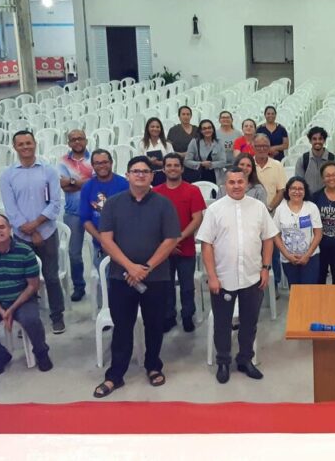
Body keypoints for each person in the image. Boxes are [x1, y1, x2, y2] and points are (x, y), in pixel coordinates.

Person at [92, 156, 180, 399]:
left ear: (152, 176)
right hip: (121, 277)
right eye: (135, 171)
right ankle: (115, 375)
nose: (140, 175)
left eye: (145, 171)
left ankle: (153, 366)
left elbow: (171, 239)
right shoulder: (112, 204)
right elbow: (106, 239)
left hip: (157, 276)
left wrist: (146, 267)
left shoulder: (164, 204)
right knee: (122, 327)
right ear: (128, 175)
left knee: (154, 325)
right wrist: (130, 267)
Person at [198, 167, 279, 384]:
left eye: (240, 182)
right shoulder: (215, 210)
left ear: (246, 183)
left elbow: (268, 239)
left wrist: (265, 267)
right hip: (223, 278)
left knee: (249, 322)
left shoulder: (258, 207)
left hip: (253, 275)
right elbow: (207, 245)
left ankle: (245, 359)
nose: (236, 186)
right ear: (225, 185)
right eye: (231, 182)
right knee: (222, 324)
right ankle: (223, 361)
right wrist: (212, 276)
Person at [0, 131, 66, 334]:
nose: (25, 147)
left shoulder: (49, 171)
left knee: (52, 277)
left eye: (29, 143)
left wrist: (36, 225)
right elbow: (10, 209)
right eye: (21, 144)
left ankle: (57, 317)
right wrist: (27, 229)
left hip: (47, 232)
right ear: (15, 147)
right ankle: (27, 320)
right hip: (20, 235)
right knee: (24, 281)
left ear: (35, 144)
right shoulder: (8, 175)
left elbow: (55, 203)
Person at [0, 215, 53, 376]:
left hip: (23, 299)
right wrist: (2, 311)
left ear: (9, 229)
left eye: (1, 227)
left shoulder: (25, 251)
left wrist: (11, 309)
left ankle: (41, 352)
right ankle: (0, 355)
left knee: (31, 320)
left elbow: (33, 286)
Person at [153, 153, 207, 333]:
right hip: (163, 249)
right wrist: (167, 242)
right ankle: (169, 316)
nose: (172, 168)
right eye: (169, 165)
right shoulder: (156, 192)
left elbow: (197, 219)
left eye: (176, 165)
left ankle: (187, 315)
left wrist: (178, 238)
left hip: (186, 247)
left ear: (182, 168)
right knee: (165, 285)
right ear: (163, 168)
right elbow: (153, 221)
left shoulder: (192, 190)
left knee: (187, 285)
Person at [79, 149, 130, 301]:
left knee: (125, 281)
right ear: (93, 165)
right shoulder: (87, 187)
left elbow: (131, 215)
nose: (101, 166)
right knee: (105, 282)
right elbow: (85, 220)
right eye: (97, 163)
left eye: (105, 162)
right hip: (99, 245)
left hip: (124, 243)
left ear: (111, 163)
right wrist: (102, 239)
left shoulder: (124, 184)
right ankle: (106, 311)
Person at [56, 129, 92, 301]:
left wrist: (72, 181)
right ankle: (79, 286)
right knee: (74, 253)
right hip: (73, 212)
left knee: (103, 249)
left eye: (80, 138)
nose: (77, 142)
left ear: (86, 140)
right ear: (69, 143)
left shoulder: (95, 158)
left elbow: (97, 181)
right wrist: (84, 181)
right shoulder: (63, 161)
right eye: (73, 139)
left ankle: (105, 283)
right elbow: (64, 186)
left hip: (95, 210)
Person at [274, 176, 323, 286]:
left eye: (300, 189)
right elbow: (276, 235)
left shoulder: (312, 207)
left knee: (309, 291)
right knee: (295, 290)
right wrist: (287, 255)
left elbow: (318, 234)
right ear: (288, 190)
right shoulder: (280, 209)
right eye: (293, 188)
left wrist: (307, 255)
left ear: (305, 191)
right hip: (288, 258)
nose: (297, 191)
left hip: (310, 257)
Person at [254, 134, 288, 287]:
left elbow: (281, 190)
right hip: (251, 217)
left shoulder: (277, 165)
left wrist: (269, 208)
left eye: (264, 146)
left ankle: (274, 284)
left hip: (271, 214)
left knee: (272, 251)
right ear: (253, 147)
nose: (261, 149)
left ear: (269, 148)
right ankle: (256, 284)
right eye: (258, 146)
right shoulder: (247, 164)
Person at [184, 119, 227, 185]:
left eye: (209, 128)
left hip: (216, 177)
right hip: (199, 176)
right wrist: (200, 164)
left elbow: (223, 162)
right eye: (204, 128)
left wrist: (211, 165)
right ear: (201, 131)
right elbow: (187, 161)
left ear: (213, 129)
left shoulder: (219, 142)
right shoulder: (194, 142)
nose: (207, 130)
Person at [295, 126, 335, 194]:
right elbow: (298, 183)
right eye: (314, 139)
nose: (317, 141)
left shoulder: (332, 159)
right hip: (308, 199)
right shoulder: (302, 160)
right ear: (310, 141)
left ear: (324, 140)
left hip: (327, 198)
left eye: (320, 139)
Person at [167, 105, 200, 181]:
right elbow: (169, 148)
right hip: (179, 164)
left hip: (194, 164)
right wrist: (180, 154)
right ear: (179, 116)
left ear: (191, 116)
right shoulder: (173, 130)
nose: (186, 116)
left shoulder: (197, 130)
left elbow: (201, 147)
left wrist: (188, 154)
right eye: (183, 114)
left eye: (188, 114)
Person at [140, 117, 172, 186]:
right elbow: (139, 161)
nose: (155, 129)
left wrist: (159, 163)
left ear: (161, 129)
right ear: (148, 129)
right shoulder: (142, 144)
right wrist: (148, 161)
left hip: (164, 174)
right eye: (152, 127)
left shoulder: (167, 144)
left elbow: (173, 161)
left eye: (157, 127)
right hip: (147, 174)